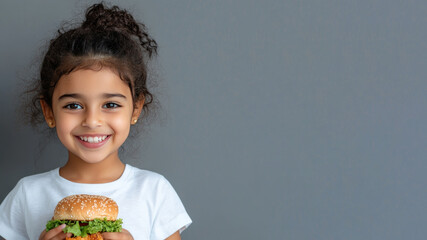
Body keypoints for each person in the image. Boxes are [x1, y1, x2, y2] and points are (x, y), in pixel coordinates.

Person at [0, 2, 192, 240]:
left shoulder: (154, 191)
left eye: (110, 105)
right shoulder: (27, 195)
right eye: (73, 105)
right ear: (49, 111)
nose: (92, 121)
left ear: (136, 109)